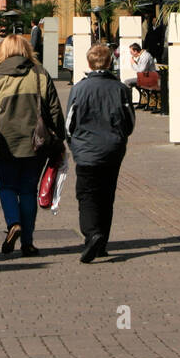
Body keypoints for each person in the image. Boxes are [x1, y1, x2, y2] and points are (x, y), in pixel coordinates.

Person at [0, 35, 64, 257]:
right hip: (36, 143)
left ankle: (13, 222)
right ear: (27, 49)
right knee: (27, 190)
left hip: (6, 142)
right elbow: (54, 110)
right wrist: (59, 139)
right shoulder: (40, 74)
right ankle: (28, 242)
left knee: (6, 187)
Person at [65, 43, 135, 263]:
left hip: (86, 151)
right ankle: (101, 242)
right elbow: (130, 121)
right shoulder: (121, 89)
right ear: (109, 62)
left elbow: (69, 124)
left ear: (88, 63)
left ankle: (92, 234)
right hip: (112, 149)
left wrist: (73, 144)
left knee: (87, 195)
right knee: (107, 195)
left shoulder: (79, 89)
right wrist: (120, 138)